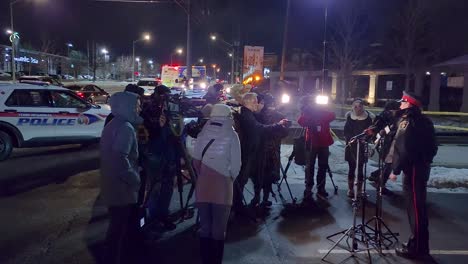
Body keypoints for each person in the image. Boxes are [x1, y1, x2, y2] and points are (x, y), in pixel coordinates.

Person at [389, 91, 438, 259]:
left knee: (416, 210)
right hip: (422, 168)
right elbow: (433, 147)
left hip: (414, 171)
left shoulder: (407, 122)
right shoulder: (425, 121)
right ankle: (419, 245)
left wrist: (395, 170)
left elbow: (402, 149)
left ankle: (417, 249)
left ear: (409, 104)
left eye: (403, 102)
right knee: (419, 209)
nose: (400, 104)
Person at [193, 103, 241, 264]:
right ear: (228, 116)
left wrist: (205, 174)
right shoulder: (232, 135)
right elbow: (236, 165)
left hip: (203, 185)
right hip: (223, 187)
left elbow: (196, 160)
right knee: (219, 229)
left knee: (205, 226)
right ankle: (215, 260)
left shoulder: (203, 133)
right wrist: (228, 178)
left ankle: (205, 259)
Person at [100, 91, 144, 264]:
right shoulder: (125, 128)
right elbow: (119, 158)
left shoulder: (114, 124)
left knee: (117, 229)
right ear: (127, 107)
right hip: (121, 188)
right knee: (119, 232)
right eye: (136, 106)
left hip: (113, 185)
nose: (139, 109)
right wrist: (135, 178)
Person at [233, 92, 288, 210]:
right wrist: (277, 125)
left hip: (260, 150)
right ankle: (237, 205)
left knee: (261, 176)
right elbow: (258, 128)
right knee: (244, 177)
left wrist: (280, 124)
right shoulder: (247, 114)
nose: (258, 104)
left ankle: (251, 201)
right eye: (257, 102)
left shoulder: (251, 113)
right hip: (250, 151)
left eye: (261, 102)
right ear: (252, 102)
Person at [140, 85, 180, 231]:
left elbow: (177, 130)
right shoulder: (148, 109)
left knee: (168, 184)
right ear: (156, 95)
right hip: (155, 152)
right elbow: (147, 130)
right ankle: (154, 216)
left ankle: (164, 213)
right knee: (155, 186)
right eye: (163, 96)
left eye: (167, 97)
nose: (165, 100)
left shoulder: (171, 109)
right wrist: (159, 123)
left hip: (169, 151)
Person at [297, 95, 336, 200]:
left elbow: (332, 116)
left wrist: (321, 109)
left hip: (323, 142)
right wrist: (308, 111)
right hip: (311, 142)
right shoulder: (308, 111)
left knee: (323, 166)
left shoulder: (324, 112)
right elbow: (301, 122)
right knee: (309, 166)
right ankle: (308, 188)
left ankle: (321, 188)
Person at [255, 94, 289, 206]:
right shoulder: (279, 115)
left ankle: (257, 198)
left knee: (258, 174)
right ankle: (265, 198)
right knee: (268, 175)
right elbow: (285, 132)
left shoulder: (256, 114)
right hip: (272, 150)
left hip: (258, 149)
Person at [367, 100, 401, 195]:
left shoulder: (387, 116)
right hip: (384, 142)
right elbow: (384, 129)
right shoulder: (386, 116)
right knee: (389, 163)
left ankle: (375, 176)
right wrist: (388, 131)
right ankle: (381, 185)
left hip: (385, 142)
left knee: (389, 163)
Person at [344, 98, 375, 198]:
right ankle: (350, 189)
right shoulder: (349, 117)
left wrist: (365, 139)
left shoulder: (368, 118)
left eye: (360, 106)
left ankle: (360, 190)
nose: (358, 108)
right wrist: (350, 139)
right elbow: (346, 131)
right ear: (353, 107)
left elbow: (370, 132)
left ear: (363, 107)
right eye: (355, 106)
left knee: (361, 169)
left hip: (362, 146)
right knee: (351, 168)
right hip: (351, 146)